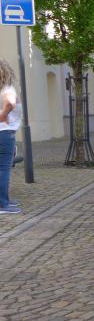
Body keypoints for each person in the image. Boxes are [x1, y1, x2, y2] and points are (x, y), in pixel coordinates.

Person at [0, 59, 22, 214]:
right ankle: (2, 204)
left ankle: (4, 199)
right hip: (5, 133)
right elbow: (10, 103)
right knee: (3, 169)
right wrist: (3, 114)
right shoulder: (7, 89)